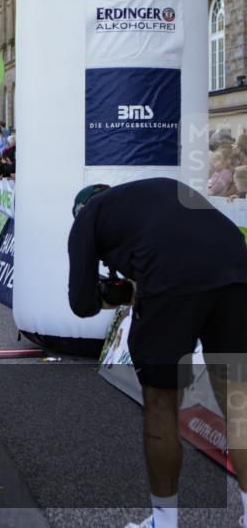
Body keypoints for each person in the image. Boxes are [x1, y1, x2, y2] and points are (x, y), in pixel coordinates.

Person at [67, 179, 247, 528]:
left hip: (171, 275)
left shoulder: (87, 219)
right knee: (239, 401)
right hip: (236, 263)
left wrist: (117, 293)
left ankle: (163, 523)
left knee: (161, 404)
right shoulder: (151, 193)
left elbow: (81, 304)